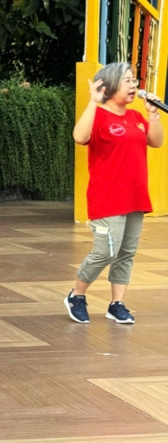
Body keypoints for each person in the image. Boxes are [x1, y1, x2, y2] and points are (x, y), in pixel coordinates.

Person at [64, 62, 163, 324]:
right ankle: (76, 295)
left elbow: (156, 141)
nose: (134, 86)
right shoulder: (97, 115)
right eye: (127, 81)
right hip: (107, 198)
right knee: (105, 252)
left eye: (134, 81)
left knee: (126, 253)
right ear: (108, 86)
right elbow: (79, 136)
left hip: (135, 197)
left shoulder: (134, 117)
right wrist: (93, 102)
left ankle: (116, 303)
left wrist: (153, 114)